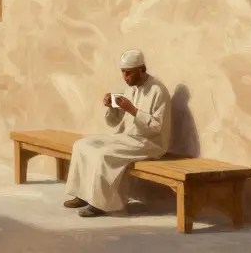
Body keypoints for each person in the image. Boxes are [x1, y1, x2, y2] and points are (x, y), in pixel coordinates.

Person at [63, 49, 172, 218]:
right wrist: (111, 108)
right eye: (123, 73)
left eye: (129, 73)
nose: (125, 77)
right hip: (127, 138)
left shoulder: (158, 91)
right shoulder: (130, 89)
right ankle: (82, 195)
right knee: (81, 145)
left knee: (103, 155)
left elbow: (157, 127)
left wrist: (133, 110)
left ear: (141, 70)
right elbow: (114, 122)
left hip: (149, 143)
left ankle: (100, 204)